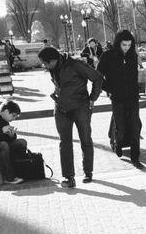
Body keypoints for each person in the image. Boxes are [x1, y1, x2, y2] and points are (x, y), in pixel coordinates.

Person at [37, 46, 104, 188]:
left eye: (45, 63)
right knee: (64, 142)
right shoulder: (53, 67)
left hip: (80, 107)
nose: (44, 66)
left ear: (54, 60)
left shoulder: (75, 64)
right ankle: (69, 177)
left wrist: (93, 98)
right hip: (61, 108)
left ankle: (88, 172)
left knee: (85, 138)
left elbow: (97, 78)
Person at [97, 30, 143, 169]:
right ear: (118, 43)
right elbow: (98, 76)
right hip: (117, 97)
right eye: (124, 45)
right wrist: (109, 88)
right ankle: (118, 142)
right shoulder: (108, 56)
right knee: (121, 127)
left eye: (129, 45)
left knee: (135, 127)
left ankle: (135, 158)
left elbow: (135, 74)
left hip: (133, 96)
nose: (127, 47)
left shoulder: (132, 55)